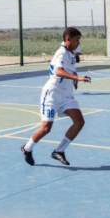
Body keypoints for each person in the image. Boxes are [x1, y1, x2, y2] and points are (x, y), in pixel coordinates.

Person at [21, 27, 91, 166]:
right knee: (46, 128)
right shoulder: (62, 53)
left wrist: (74, 79)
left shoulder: (70, 53)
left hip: (66, 96)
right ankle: (27, 148)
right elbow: (58, 71)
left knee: (79, 122)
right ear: (68, 39)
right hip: (52, 94)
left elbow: (69, 69)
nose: (78, 44)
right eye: (77, 40)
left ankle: (59, 151)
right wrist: (76, 78)